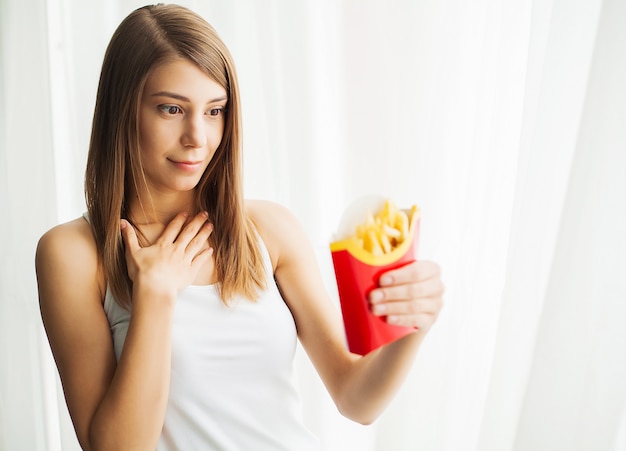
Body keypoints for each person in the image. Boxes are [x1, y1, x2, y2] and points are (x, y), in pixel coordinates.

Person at [35, 4, 444, 450]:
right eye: (172, 109)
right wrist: (155, 296)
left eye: (214, 111)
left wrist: (412, 326)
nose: (198, 136)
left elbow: (354, 399)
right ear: (123, 110)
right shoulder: (73, 254)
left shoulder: (267, 229)